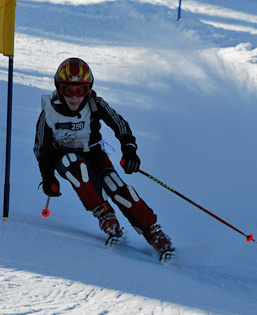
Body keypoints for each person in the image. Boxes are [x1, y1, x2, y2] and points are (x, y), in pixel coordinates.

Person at [34, 58, 175, 261]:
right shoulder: (49, 112)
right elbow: (42, 149)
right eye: (68, 90)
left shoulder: (95, 104)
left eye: (80, 90)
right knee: (74, 163)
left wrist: (129, 151)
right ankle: (104, 214)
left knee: (114, 185)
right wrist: (48, 178)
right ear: (58, 88)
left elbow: (120, 125)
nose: (74, 98)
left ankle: (153, 231)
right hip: (64, 158)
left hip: (94, 153)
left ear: (89, 89)